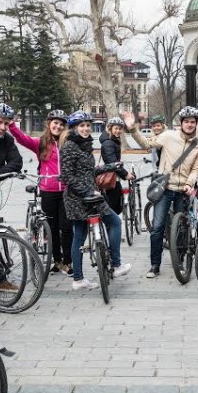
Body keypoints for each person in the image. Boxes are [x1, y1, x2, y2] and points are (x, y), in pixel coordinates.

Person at [126, 106, 198, 278]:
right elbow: (147, 144)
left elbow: (196, 169)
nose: (190, 125)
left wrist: (189, 183)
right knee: (157, 228)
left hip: (183, 190)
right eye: (187, 122)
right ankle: (155, 265)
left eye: (193, 122)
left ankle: (181, 260)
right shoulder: (169, 136)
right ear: (181, 123)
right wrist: (133, 128)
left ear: (196, 124)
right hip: (165, 188)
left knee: (182, 228)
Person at [59, 111, 131, 290]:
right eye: (81, 126)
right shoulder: (69, 147)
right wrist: (86, 192)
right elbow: (67, 176)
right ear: (74, 128)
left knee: (80, 235)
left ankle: (78, 279)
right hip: (80, 198)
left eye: (87, 125)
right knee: (114, 222)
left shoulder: (84, 145)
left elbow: (87, 172)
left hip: (88, 194)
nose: (85, 129)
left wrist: (109, 167)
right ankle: (115, 265)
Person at [9, 109, 73, 275]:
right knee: (51, 228)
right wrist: (12, 126)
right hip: (48, 191)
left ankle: (68, 261)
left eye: (61, 124)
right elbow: (22, 139)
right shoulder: (41, 143)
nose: (58, 126)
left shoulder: (68, 143)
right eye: (55, 123)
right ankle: (57, 260)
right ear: (49, 124)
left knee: (66, 227)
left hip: (66, 190)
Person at [99, 116, 133, 215]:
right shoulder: (108, 143)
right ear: (110, 129)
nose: (118, 131)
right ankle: (111, 227)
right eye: (116, 128)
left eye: (120, 129)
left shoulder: (112, 141)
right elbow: (112, 162)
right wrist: (126, 174)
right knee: (114, 208)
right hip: (110, 179)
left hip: (113, 177)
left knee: (115, 206)